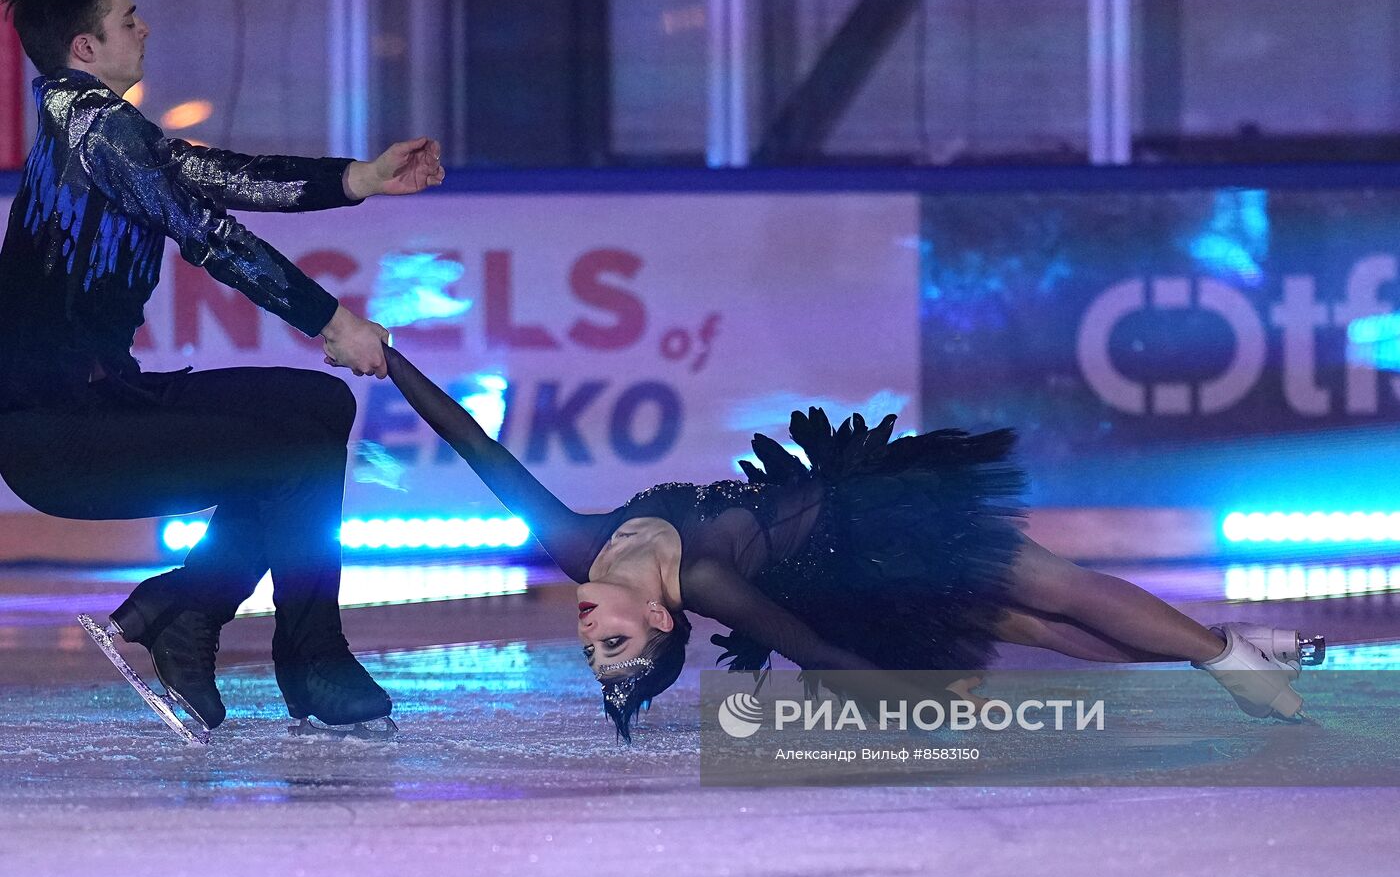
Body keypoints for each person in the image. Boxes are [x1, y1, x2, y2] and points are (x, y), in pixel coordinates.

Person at [381, 344, 1323, 740]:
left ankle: (1226, 653)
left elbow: (475, 445)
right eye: (612, 645)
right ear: (665, 616)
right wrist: (916, 705)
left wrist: (384, 356)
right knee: (1030, 617)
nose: (589, 630)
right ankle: (1230, 656)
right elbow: (819, 650)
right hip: (849, 569)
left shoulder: (573, 543)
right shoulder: (707, 577)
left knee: (1053, 589)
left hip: (862, 513)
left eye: (592, 645)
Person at [0, 0, 445, 736]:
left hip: (104, 405)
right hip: (60, 434)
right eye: (127, 18)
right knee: (294, 453)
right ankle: (306, 655)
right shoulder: (94, 129)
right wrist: (335, 322)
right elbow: (215, 234)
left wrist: (360, 179)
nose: (146, 29)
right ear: (84, 48)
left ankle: (190, 609)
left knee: (315, 405)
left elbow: (216, 178)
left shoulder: (99, 131)